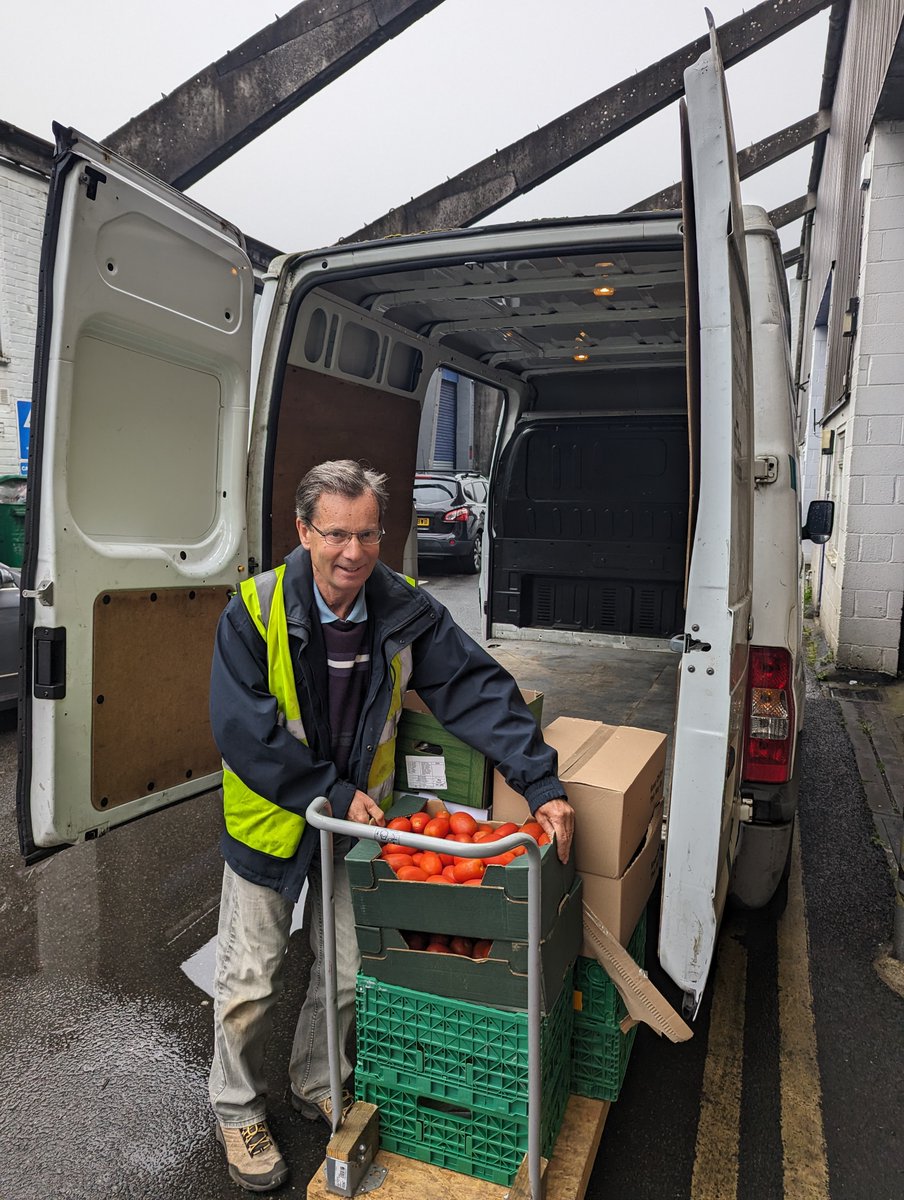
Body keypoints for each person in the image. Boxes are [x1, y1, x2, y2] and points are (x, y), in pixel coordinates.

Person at [208, 459, 574, 1192]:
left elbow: (475, 689)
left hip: (359, 825)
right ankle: (237, 1108)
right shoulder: (254, 610)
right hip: (277, 820)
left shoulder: (406, 608)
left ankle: (317, 1079)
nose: (354, 552)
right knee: (250, 980)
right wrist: (328, 791)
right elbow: (242, 730)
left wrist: (540, 781)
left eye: (369, 533)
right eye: (337, 534)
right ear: (304, 529)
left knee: (346, 970)